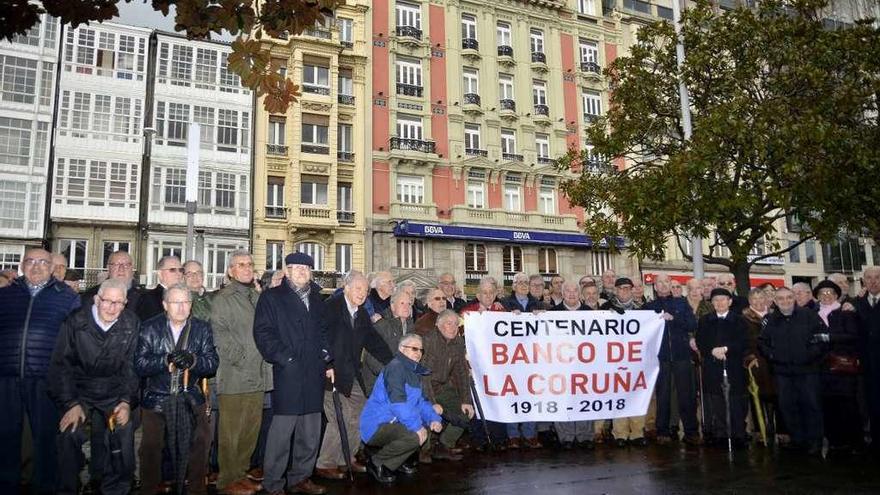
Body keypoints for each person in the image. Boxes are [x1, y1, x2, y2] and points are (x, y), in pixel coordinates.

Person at [0, 248, 81, 494]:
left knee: (45, 440)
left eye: (43, 262)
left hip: (46, 379)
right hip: (6, 377)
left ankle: (45, 487)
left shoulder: (66, 296)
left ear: (52, 267)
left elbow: (74, 343)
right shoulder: (5, 294)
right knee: (5, 438)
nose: (36, 266)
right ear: (22, 265)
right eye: (30, 261)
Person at [48, 278, 140, 495]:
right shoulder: (75, 321)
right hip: (79, 390)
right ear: (97, 299)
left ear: (125, 303)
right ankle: (68, 487)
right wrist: (70, 403)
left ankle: (117, 488)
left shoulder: (131, 322)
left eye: (119, 303)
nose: (112, 308)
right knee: (68, 433)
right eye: (107, 301)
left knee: (123, 431)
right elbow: (61, 365)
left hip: (115, 389)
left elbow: (131, 367)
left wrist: (126, 401)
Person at [253, 252, 333, 495]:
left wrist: (326, 354)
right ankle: (274, 483)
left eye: (306, 268)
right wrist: (284, 358)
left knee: (310, 431)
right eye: (296, 267)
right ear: (286, 271)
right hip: (287, 373)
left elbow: (324, 330)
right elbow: (263, 333)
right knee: (281, 433)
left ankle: (300, 478)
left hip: (313, 372)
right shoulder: (271, 297)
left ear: (311, 272)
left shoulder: (318, 300)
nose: (301, 271)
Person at [135, 283, 218, 495]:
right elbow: (139, 365)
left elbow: (212, 363)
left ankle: (197, 490)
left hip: (190, 396)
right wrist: (165, 359)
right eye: (176, 302)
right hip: (156, 398)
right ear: (165, 305)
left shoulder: (201, 328)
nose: (181, 307)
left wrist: (193, 360)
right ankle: (149, 490)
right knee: (151, 449)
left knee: (200, 443)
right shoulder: (149, 327)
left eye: (186, 302)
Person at [315, 271, 393, 480]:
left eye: (366, 290)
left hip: (351, 374)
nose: (363, 293)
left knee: (359, 413)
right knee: (338, 416)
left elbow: (374, 341)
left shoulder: (361, 314)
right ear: (346, 287)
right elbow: (319, 336)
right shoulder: (331, 307)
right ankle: (325, 463)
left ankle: (346, 457)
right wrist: (326, 362)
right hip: (330, 372)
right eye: (358, 288)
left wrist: (393, 361)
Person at [210, 251, 269, 495]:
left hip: (259, 374)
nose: (246, 268)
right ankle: (227, 480)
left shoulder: (257, 297)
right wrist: (243, 360)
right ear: (231, 271)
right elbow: (220, 336)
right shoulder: (223, 299)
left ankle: (241, 473)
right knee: (230, 433)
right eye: (240, 265)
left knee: (250, 432)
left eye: (249, 264)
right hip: (235, 375)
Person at [360, 334, 442, 484]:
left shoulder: (413, 371)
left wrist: (434, 419)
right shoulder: (396, 368)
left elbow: (421, 401)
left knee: (423, 427)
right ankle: (376, 462)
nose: (418, 353)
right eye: (414, 349)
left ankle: (397, 462)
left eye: (421, 350)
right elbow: (398, 404)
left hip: (394, 422)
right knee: (414, 435)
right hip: (376, 425)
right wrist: (416, 427)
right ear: (401, 350)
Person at [759, 286, 825, 455]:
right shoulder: (770, 319)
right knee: (788, 406)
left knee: (811, 406)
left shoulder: (809, 315)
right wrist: (773, 355)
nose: (785, 301)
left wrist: (809, 355)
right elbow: (762, 343)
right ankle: (798, 439)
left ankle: (815, 441)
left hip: (807, 370)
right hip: (783, 372)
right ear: (775, 301)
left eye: (789, 297)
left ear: (794, 298)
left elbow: (821, 338)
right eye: (781, 298)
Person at [644, 275, 700, 446]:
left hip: (681, 355)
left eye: (666, 282)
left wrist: (674, 319)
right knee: (663, 395)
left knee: (686, 395)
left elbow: (692, 325)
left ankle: (691, 431)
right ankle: (663, 430)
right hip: (660, 358)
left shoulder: (682, 303)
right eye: (659, 282)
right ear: (654, 285)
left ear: (671, 285)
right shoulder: (649, 307)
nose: (663, 285)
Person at [813, 280, 861, 455]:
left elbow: (852, 336)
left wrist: (829, 337)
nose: (826, 296)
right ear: (817, 296)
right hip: (822, 368)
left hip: (843, 367)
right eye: (822, 293)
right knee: (828, 405)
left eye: (830, 293)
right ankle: (834, 440)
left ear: (836, 295)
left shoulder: (845, 312)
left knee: (847, 404)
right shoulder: (812, 314)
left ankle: (853, 441)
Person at [696, 288, 748, 448]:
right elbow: (701, 340)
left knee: (736, 401)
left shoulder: (739, 320)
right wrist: (712, 350)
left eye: (723, 299)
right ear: (712, 303)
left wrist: (726, 349)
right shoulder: (705, 320)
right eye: (716, 300)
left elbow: (743, 342)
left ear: (730, 301)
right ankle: (721, 434)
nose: (719, 303)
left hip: (733, 366)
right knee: (717, 401)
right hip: (713, 365)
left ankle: (738, 434)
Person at [421, 310, 472, 460]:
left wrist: (466, 400)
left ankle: (444, 444)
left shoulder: (458, 342)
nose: (453, 328)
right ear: (439, 325)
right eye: (449, 323)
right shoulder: (428, 341)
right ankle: (425, 449)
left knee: (466, 413)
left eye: (456, 324)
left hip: (443, 387)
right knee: (428, 411)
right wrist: (432, 403)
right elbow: (424, 376)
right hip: (424, 388)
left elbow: (462, 372)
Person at [602, 277, 647, 446]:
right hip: (614, 358)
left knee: (636, 394)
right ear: (615, 290)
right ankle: (619, 433)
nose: (624, 291)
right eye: (621, 288)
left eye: (628, 288)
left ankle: (637, 433)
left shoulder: (643, 309)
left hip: (636, 359)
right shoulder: (606, 308)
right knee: (619, 395)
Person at [501, 272, 543, 448]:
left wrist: (543, 316)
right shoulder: (504, 304)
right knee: (512, 394)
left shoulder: (539, 304)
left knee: (532, 394)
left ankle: (530, 434)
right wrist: (508, 316)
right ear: (513, 286)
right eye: (520, 282)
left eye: (527, 282)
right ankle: (513, 435)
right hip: (511, 358)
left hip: (534, 358)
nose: (524, 285)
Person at [551, 281, 595, 448]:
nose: (571, 293)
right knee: (564, 400)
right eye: (567, 290)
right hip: (561, 366)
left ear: (580, 294)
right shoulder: (552, 313)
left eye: (574, 290)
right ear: (562, 294)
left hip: (585, 365)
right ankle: (566, 437)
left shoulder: (590, 313)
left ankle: (585, 436)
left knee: (585, 400)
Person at [741, 288, 780, 443]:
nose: (758, 301)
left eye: (761, 298)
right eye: (754, 298)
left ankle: (775, 426)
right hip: (756, 361)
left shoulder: (774, 316)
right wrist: (749, 358)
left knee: (775, 395)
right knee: (757, 395)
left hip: (774, 360)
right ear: (750, 301)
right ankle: (759, 428)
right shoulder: (744, 319)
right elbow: (743, 342)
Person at [851, 266, 880, 454]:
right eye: (868, 278)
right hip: (868, 366)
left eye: (877, 277)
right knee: (873, 403)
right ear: (863, 281)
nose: (873, 281)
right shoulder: (858, 303)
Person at [363, 288, 415, 395]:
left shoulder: (411, 327)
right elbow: (371, 358)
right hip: (379, 384)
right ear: (392, 306)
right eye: (402, 303)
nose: (407, 307)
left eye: (409, 304)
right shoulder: (381, 325)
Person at [136, 256, 184, 321]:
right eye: (172, 270)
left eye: (181, 270)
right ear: (160, 274)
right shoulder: (148, 298)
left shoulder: (185, 297)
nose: (178, 274)